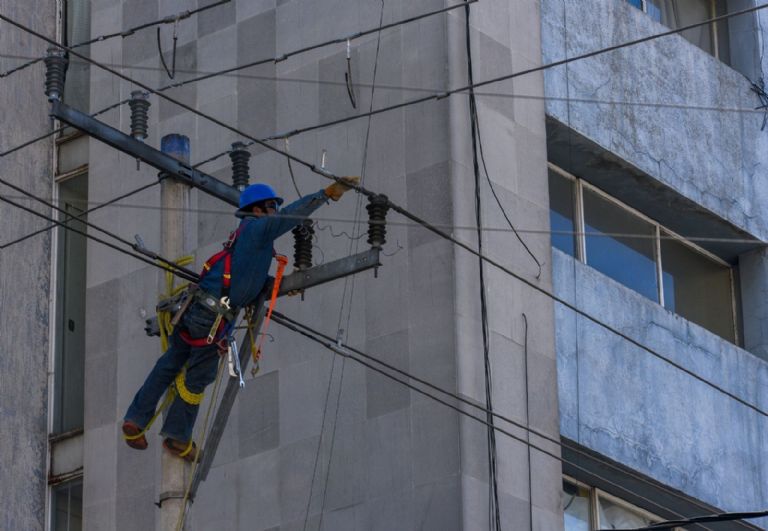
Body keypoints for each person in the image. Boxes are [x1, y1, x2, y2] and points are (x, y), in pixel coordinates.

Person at [122, 176, 360, 461]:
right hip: (210, 320)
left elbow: (249, 284)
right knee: (197, 378)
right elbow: (287, 218)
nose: (274, 212)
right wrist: (325, 194)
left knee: (169, 364)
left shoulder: (246, 241)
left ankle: (135, 421)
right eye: (271, 207)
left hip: (195, 311)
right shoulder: (258, 229)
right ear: (258, 210)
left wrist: (281, 286)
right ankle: (176, 436)